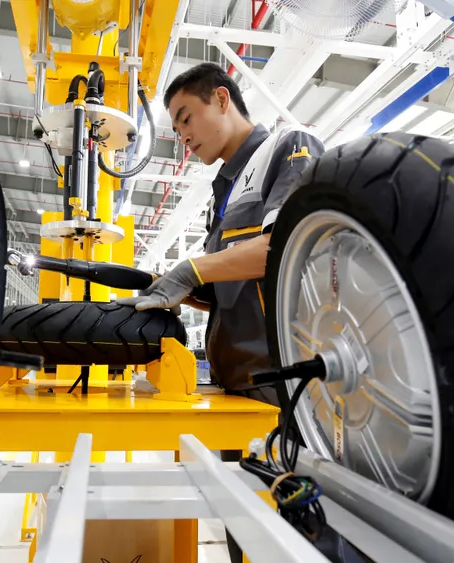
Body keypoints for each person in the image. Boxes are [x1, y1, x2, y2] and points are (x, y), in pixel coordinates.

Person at [118, 62, 326, 563]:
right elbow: (223, 290)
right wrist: (166, 285)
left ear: (221, 98)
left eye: (185, 118)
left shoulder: (287, 147)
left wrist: (192, 268)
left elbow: (283, 247)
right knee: (245, 533)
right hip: (240, 394)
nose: (182, 136)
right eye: (175, 128)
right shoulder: (224, 192)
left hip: (289, 395)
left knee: (297, 535)